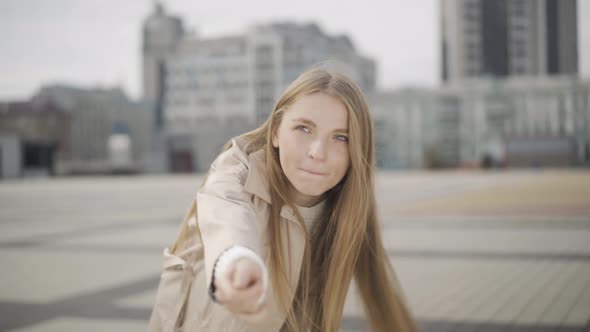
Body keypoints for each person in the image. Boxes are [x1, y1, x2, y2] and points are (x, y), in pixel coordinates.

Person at [149, 67, 418, 332]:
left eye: (340, 137)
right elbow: (226, 215)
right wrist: (236, 261)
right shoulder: (236, 171)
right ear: (276, 131)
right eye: (303, 128)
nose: (317, 152)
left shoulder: (346, 207)